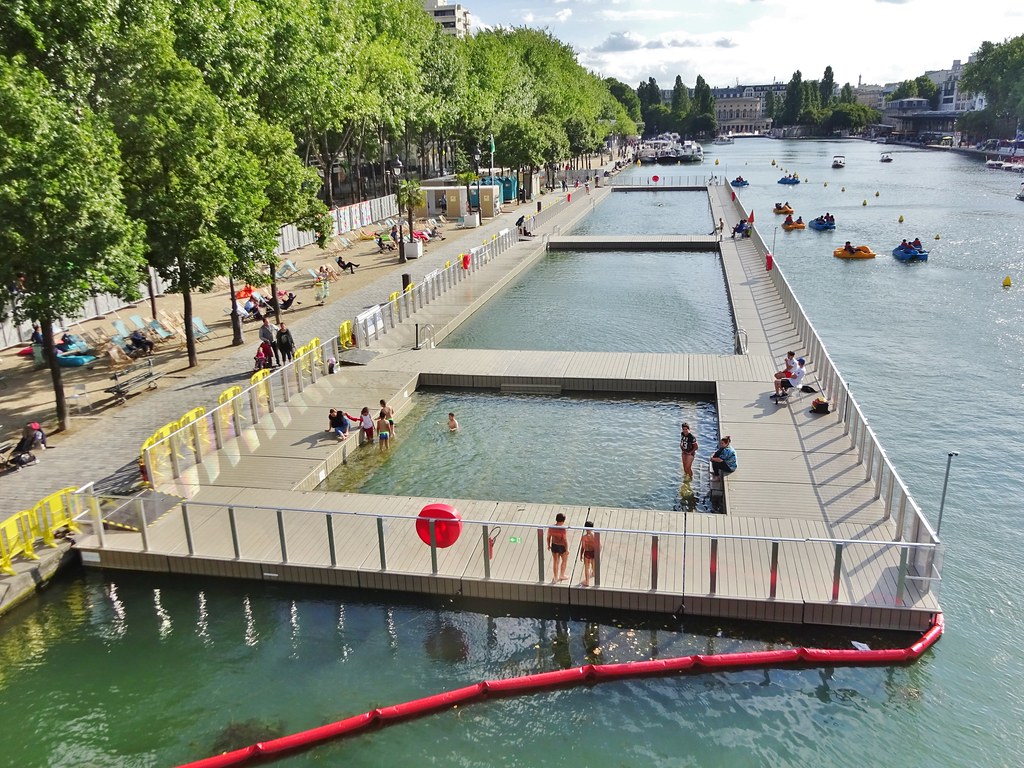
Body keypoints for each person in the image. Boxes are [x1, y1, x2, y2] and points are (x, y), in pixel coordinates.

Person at [547, 512, 569, 582]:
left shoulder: (551, 528)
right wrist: (567, 549)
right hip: (562, 546)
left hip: (554, 545)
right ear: (563, 521)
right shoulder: (563, 529)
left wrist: (548, 545)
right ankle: (562, 575)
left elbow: (548, 537)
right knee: (564, 560)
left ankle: (555, 577)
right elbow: (565, 540)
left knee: (555, 562)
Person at [579, 521, 598, 587]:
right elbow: (599, 545)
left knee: (587, 568)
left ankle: (587, 582)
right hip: (593, 552)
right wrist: (597, 553)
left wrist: (581, 554)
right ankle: (594, 573)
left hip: (587, 552)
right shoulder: (594, 536)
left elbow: (583, 547)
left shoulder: (584, 537)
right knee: (593, 564)